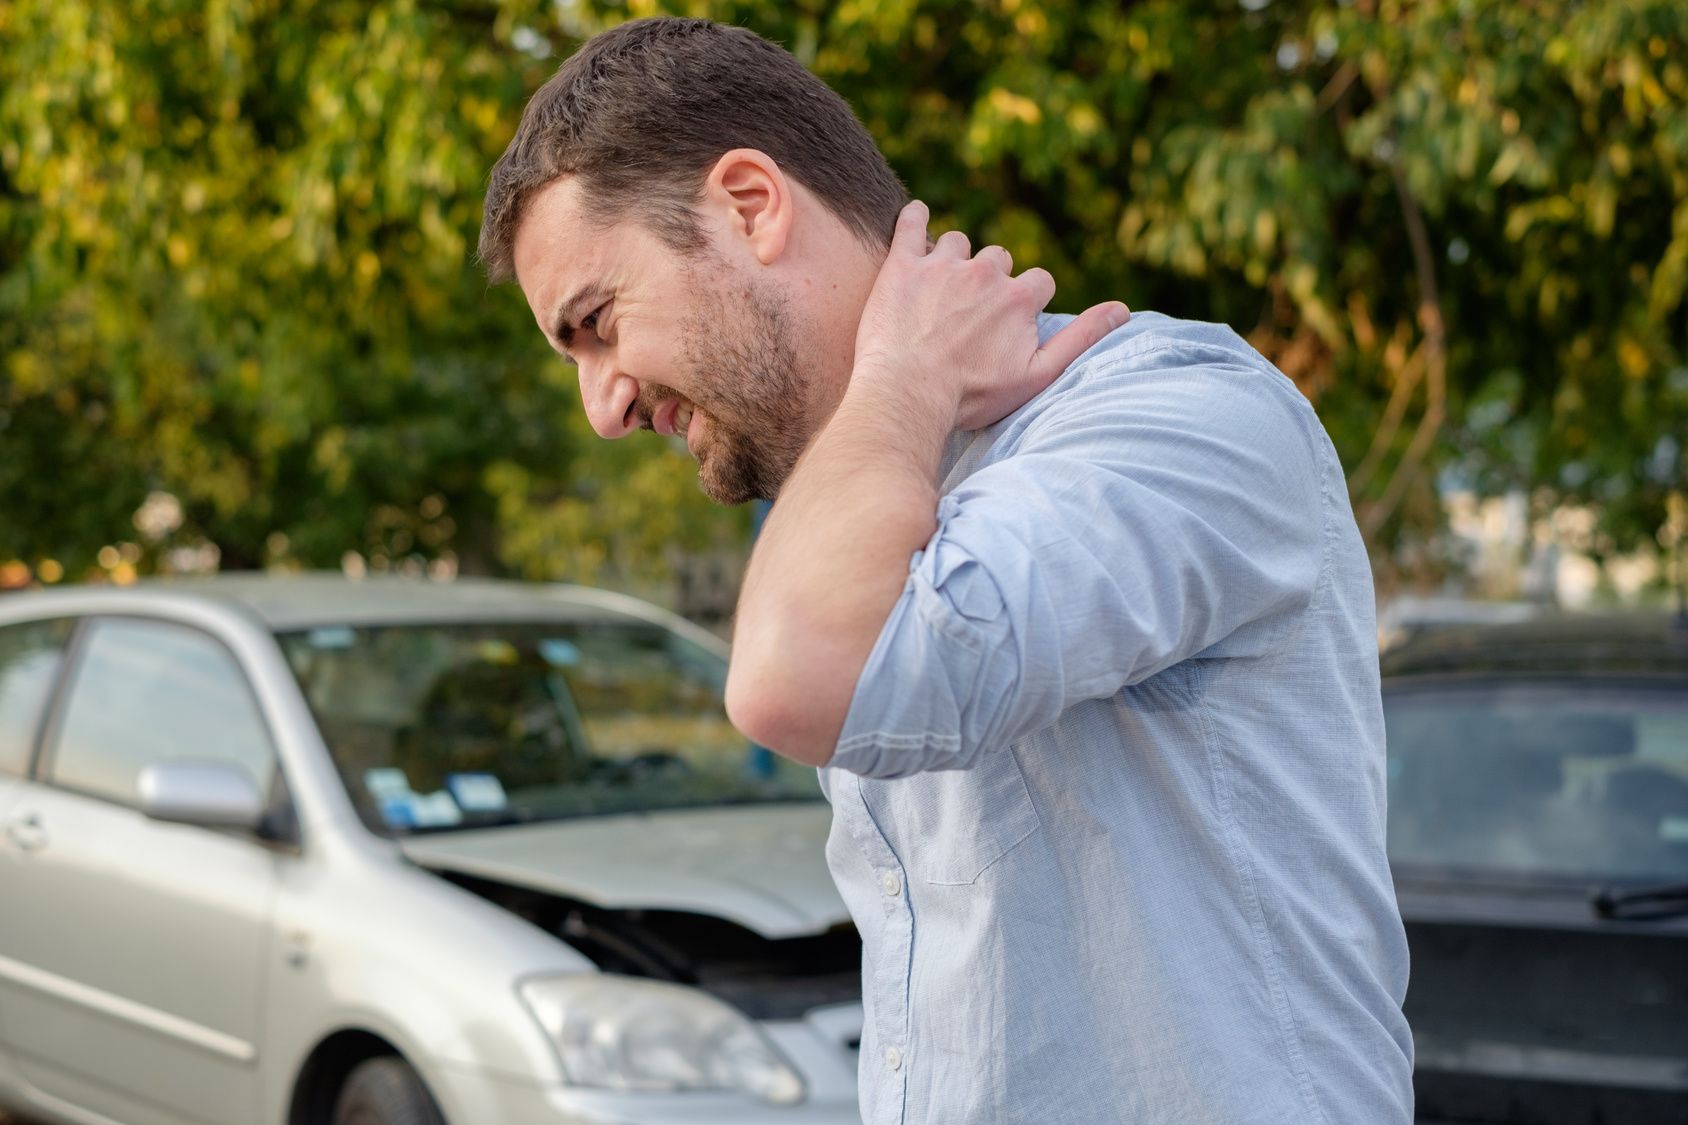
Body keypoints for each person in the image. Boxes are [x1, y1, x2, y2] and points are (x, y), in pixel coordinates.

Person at [479, 16, 1413, 1123]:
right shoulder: (863, 502)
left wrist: (903, 374)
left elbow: (790, 680)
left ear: (748, 205)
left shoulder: (1172, 412)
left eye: (596, 323)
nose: (602, 407)